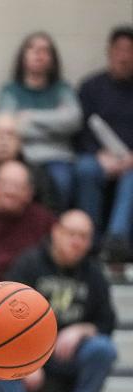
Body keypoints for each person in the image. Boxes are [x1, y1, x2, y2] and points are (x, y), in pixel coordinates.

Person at [0, 210, 117, 392]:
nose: (76, 242)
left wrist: (81, 329)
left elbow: (107, 323)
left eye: (84, 237)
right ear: (56, 232)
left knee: (103, 349)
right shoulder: (29, 264)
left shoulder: (94, 273)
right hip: (26, 348)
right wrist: (27, 359)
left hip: (66, 354)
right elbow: (3, 316)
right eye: (71, 234)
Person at [0, 31, 82, 200]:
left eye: (45, 50)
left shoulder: (62, 89)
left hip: (57, 159)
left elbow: (73, 121)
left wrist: (30, 116)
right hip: (22, 156)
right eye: (33, 49)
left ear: (52, 59)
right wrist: (56, 122)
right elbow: (9, 126)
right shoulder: (10, 91)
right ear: (23, 56)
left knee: (61, 182)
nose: (39, 55)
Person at [75, 26, 133, 261]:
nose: (124, 56)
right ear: (109, 52)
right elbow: (80, 130)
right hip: (98, 156)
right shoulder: (91, 86)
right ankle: (89, 239)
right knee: (86, 169)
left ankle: (115, 241)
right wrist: (99, 155)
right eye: (119, 49)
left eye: (130, 51)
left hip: (131, 160)